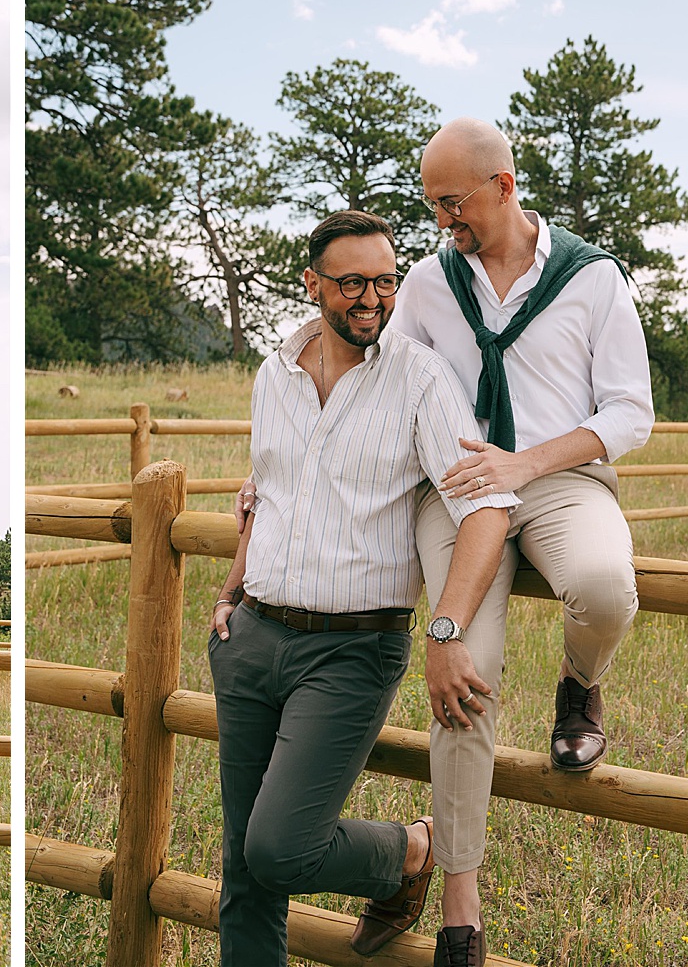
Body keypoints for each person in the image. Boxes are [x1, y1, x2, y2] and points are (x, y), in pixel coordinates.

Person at [239, 118, 652, 963]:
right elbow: (376, 380)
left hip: (559, 476)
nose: (442, 222)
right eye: (431, 204)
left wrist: (528, 459)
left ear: (503, 185)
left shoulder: (594, 279)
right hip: (458, 488)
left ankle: (581, 685)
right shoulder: (426, 282)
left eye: (452, 202)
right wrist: (280, 476)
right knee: (467, 664)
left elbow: (631, 413)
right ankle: (459, 900)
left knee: (606, 586)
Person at [211, 210, 516, 967]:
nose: (371, 298)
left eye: (384, 281)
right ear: (312, 283)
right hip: (252, 636)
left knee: (279, 846)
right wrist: (229, 591)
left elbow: (485, 510)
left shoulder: (417, 378)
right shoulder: (273, 372)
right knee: (244, 871)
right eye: (351, 283)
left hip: (351, 649)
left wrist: (446, 630)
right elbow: (269, 493)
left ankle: (410, 852)